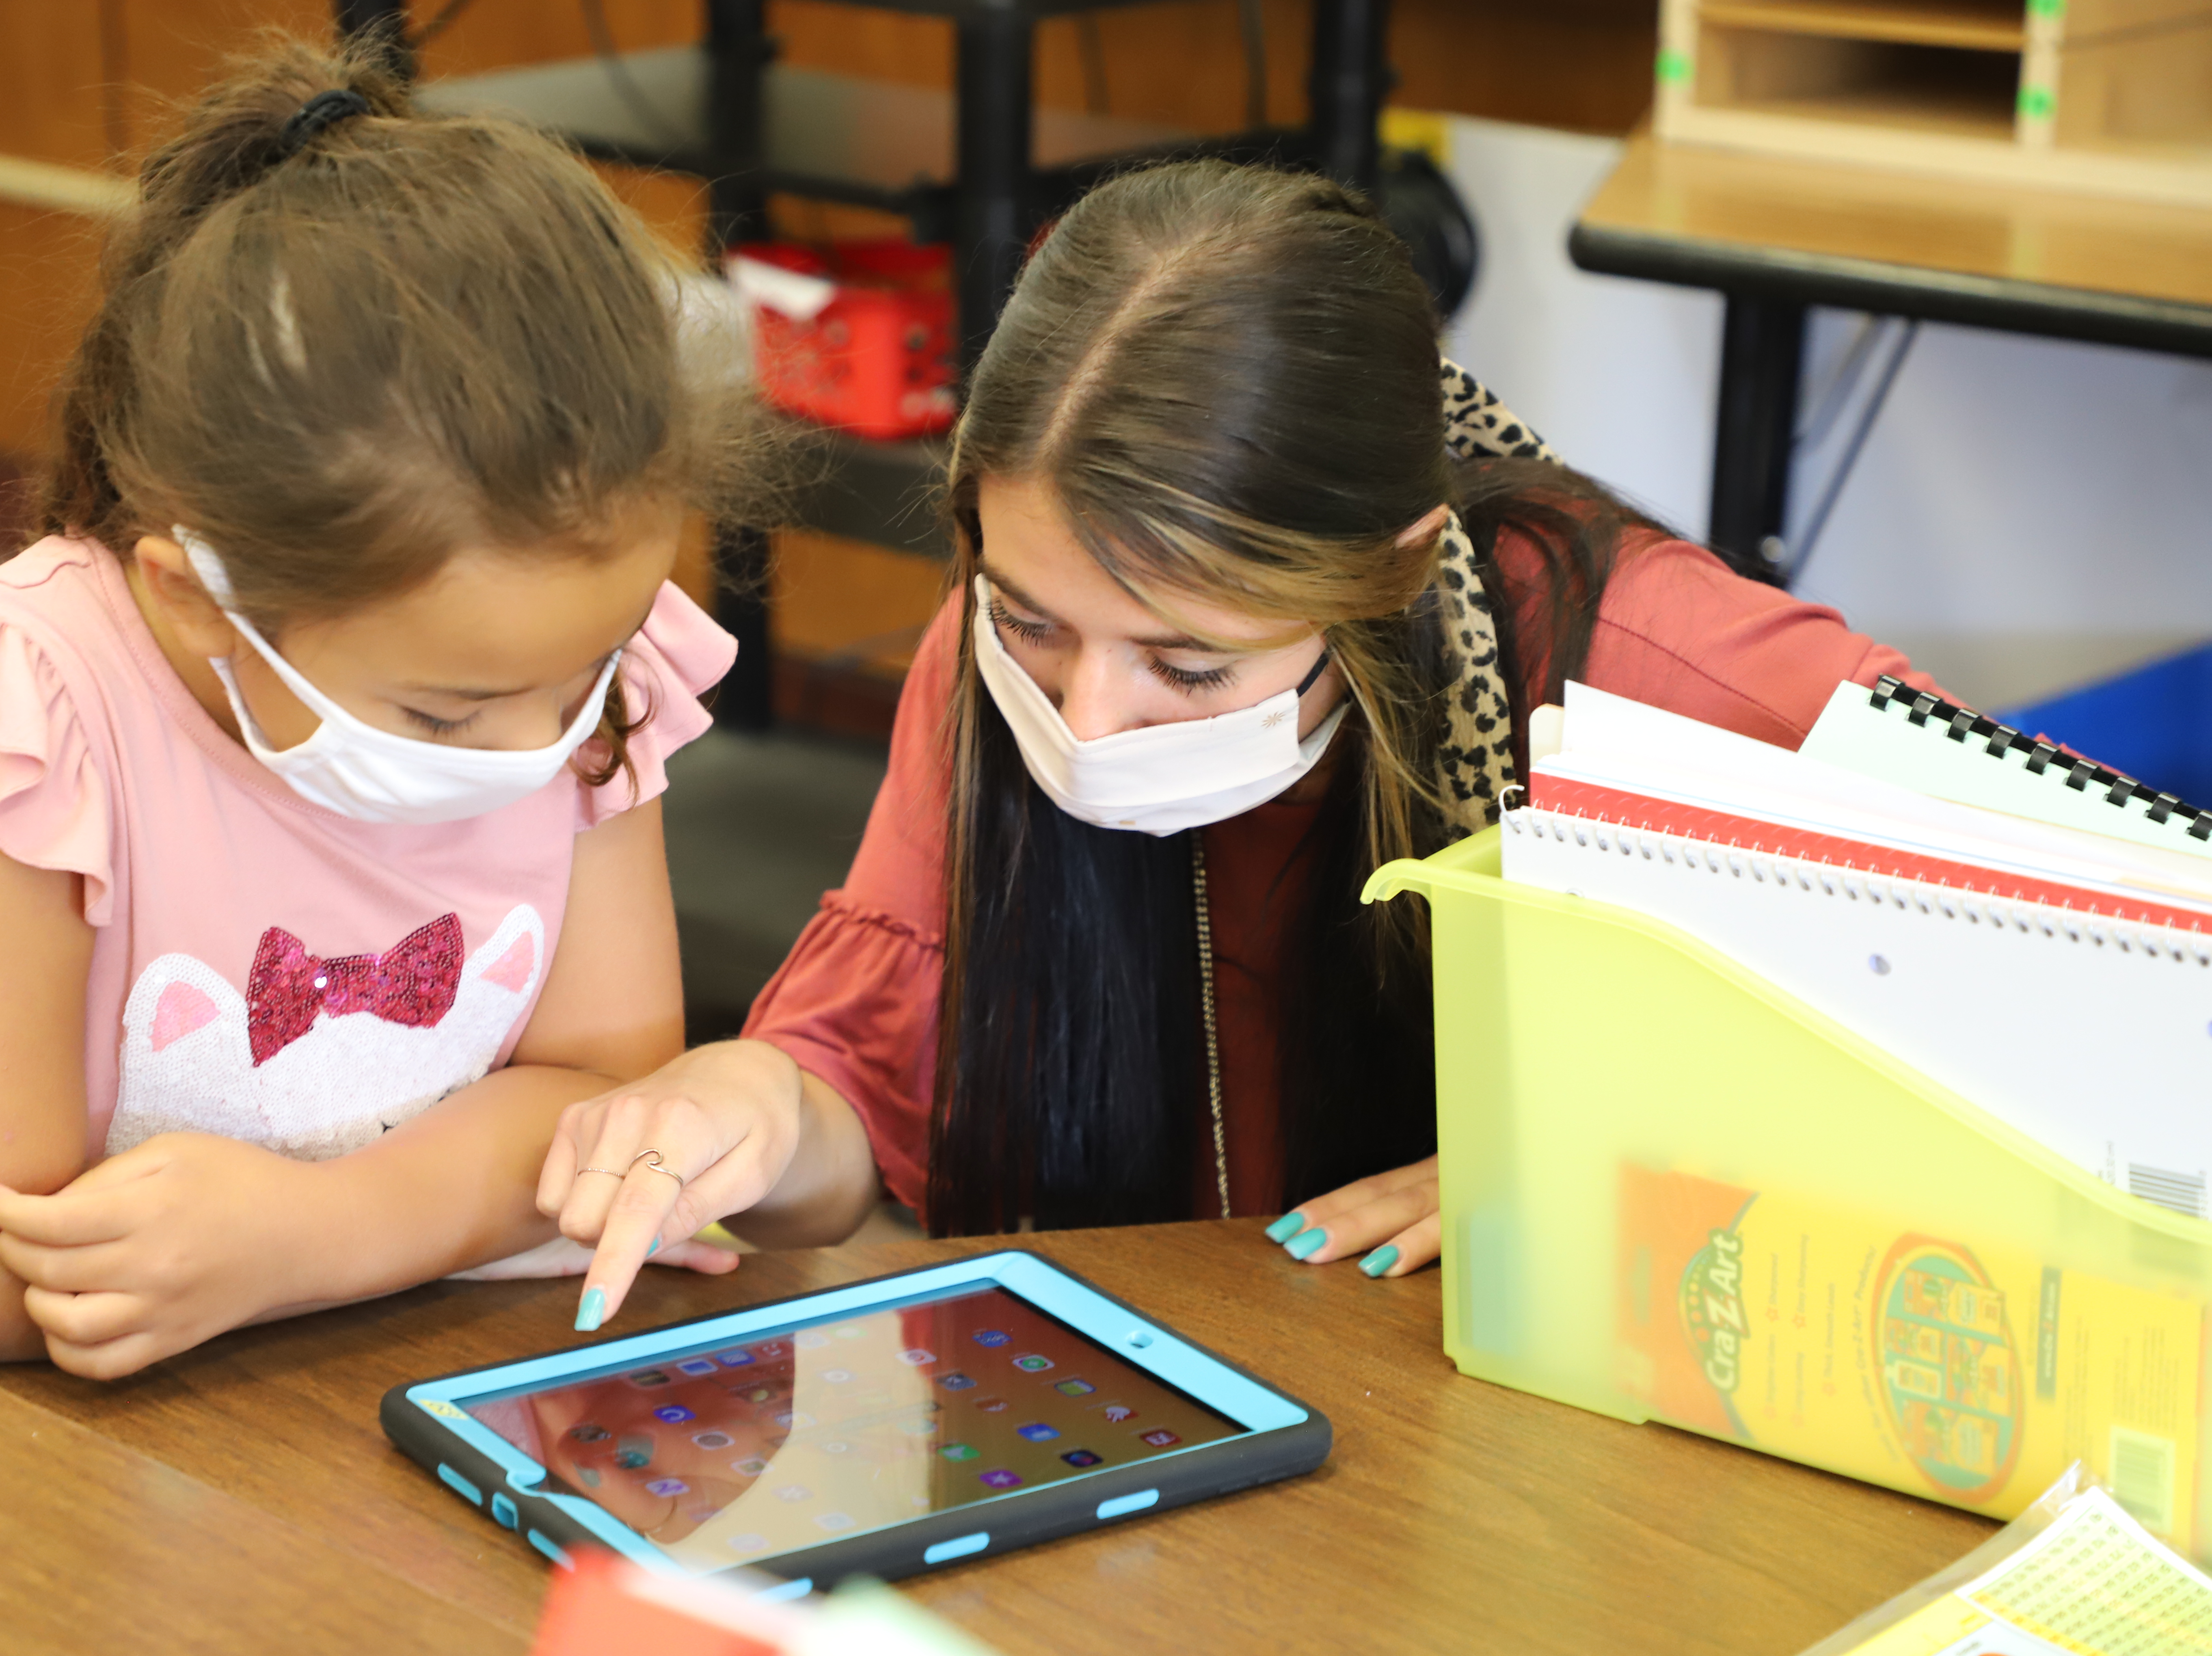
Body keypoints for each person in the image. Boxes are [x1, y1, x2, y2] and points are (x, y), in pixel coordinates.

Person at [542, 160, 1944, 1326]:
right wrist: (763, 1103)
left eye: (1191, 666)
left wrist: (1624, 1163)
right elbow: (872, 1098)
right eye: (1033, 623)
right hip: (1182, 1397)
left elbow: (2129, 995)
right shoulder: (995, 649)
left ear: (1385, 574)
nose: (1083, 720)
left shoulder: (1646, 666)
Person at [0, 39, 760, 1375]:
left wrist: (312, 1232)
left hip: (410, 1357)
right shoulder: (10, 714)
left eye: (578, 685)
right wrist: (461, 1199)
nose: (546, 752)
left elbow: (613, 1118)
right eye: (449, 718)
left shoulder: (576, 667)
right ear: (193, 597)